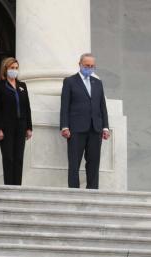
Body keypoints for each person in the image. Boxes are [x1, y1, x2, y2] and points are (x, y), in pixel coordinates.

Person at [59, 53, 110, 189]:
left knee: (94, 162)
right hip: (76, 129)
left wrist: (105, 127)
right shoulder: (69, 81)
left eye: (92, 66)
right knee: (74, 163)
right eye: (87, 65)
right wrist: (64, 126)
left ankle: (92, 191)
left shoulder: (97, 83)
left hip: (95, 129)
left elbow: (102, 106)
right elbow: (65, 105)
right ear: (80, 64)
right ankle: (74, 192)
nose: (89, 68)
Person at [0, 57, 32, 186]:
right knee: (8, 157)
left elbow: (27, 107)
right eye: (11, 68)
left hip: (21, 126)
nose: (14, 71)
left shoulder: (22, 86)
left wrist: (29, 127)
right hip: (6, 127)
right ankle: (8, 186)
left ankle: (17, 186)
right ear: (5, 69)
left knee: (19, 157)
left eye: (16, 68)